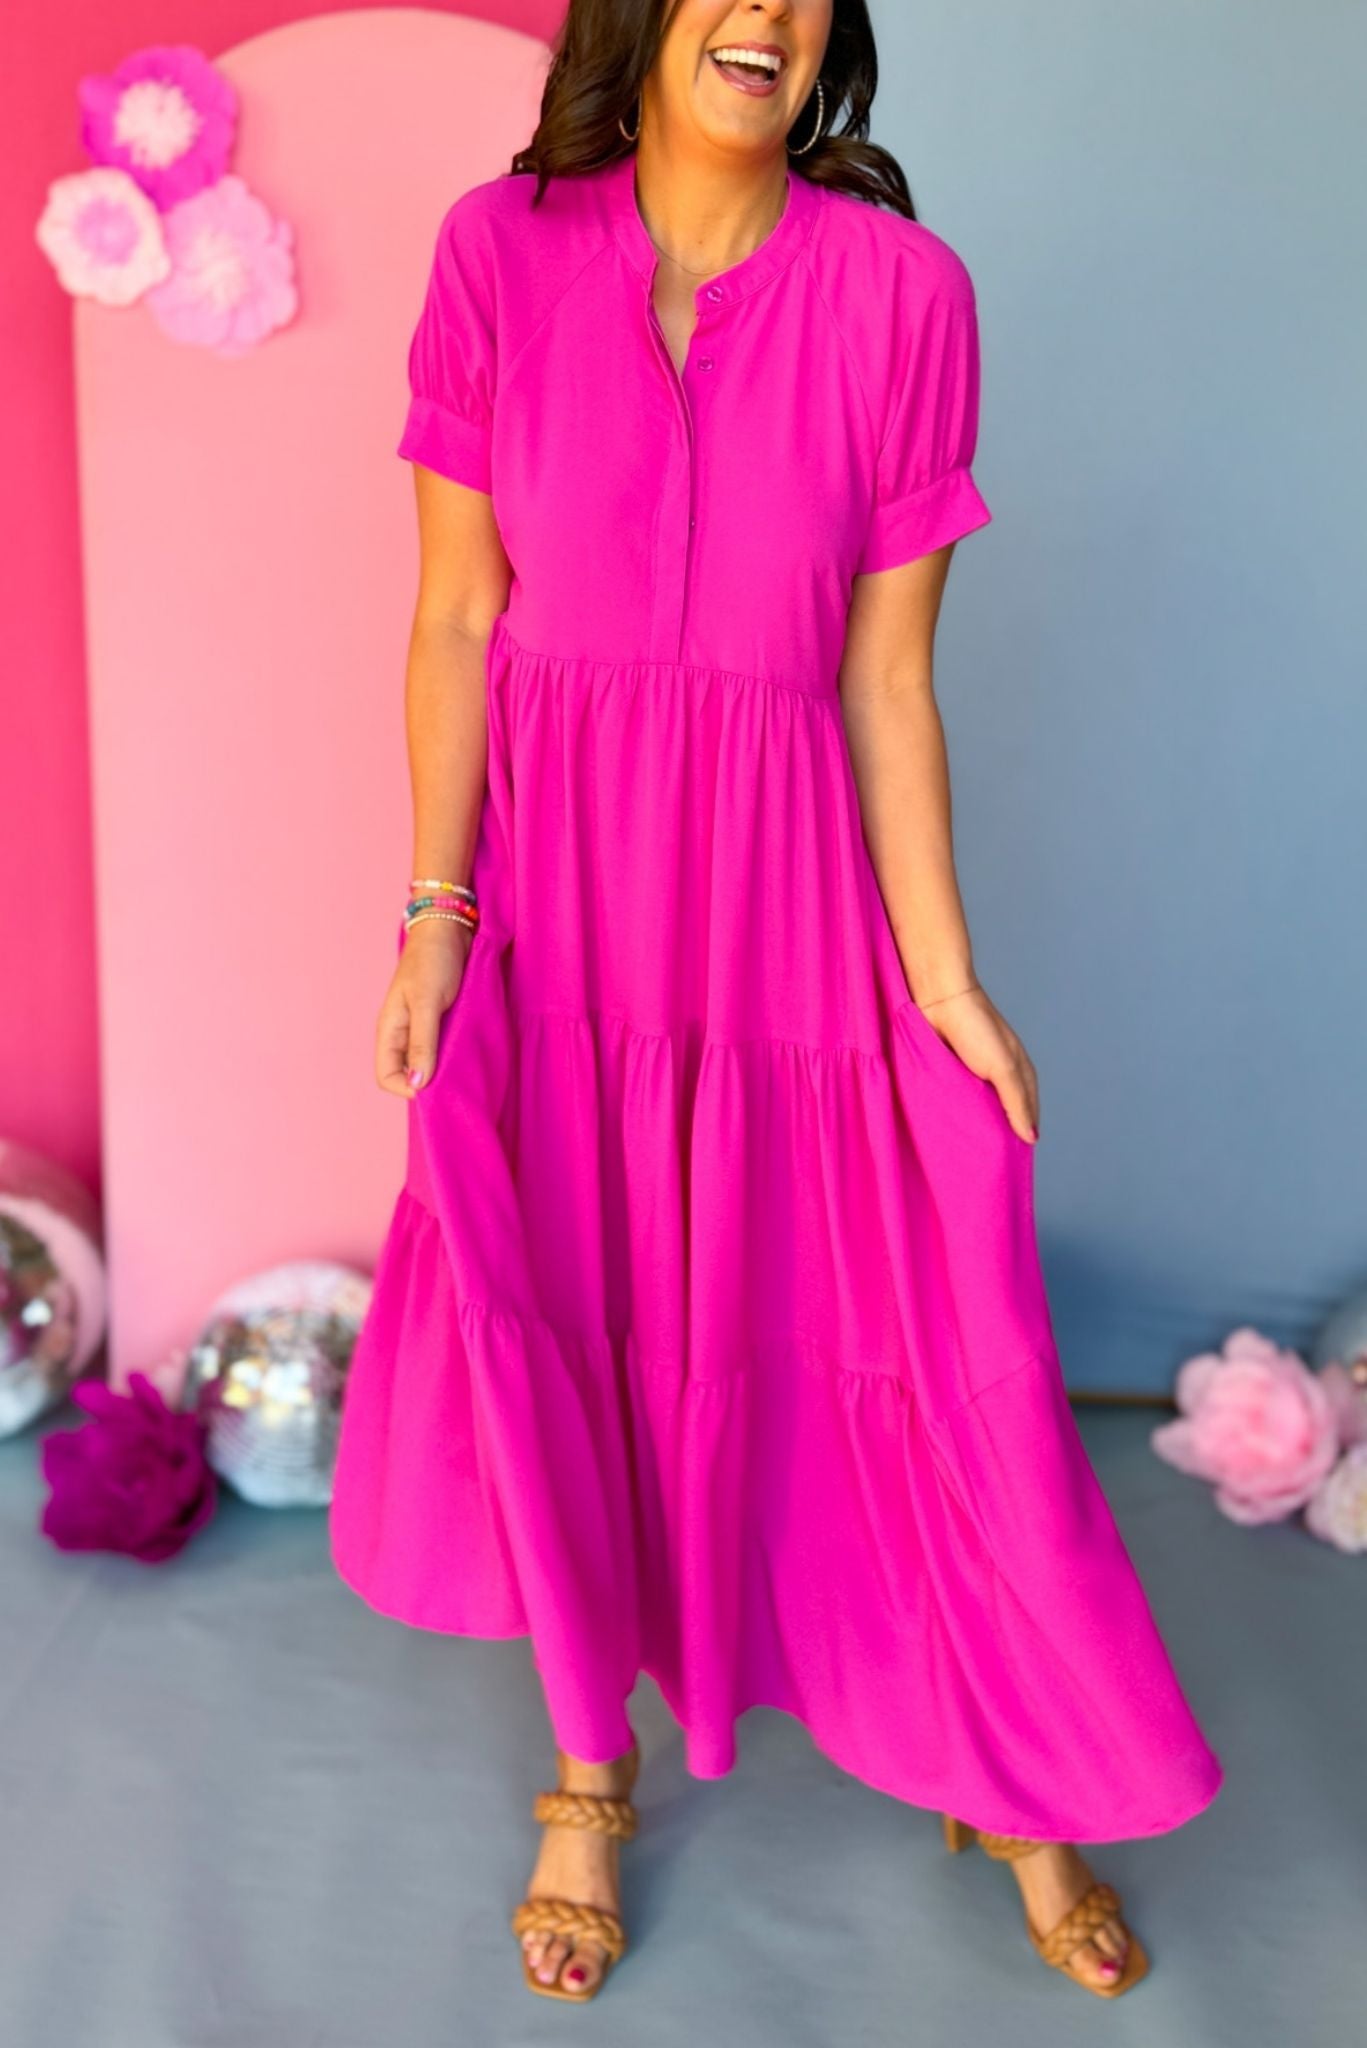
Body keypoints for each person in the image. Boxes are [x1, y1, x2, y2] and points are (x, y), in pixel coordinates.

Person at [329, 0, 1224, 2007]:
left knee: (901, 1324)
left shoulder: (905, 295)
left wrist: (946, 983)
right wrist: (435, 913)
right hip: (565, 912)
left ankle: (1001, 1761)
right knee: (579, 1312)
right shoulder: (498, 250)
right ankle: (589, 1769)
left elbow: (887, 681)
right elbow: (458, 613)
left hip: (788, 914)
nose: (771, 11)